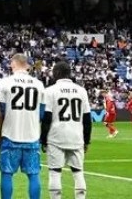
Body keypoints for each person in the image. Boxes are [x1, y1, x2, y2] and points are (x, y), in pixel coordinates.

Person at [0, 54, 44, 199]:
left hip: (10, 134)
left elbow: (0, 111)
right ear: (27, 65)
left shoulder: (5, 83)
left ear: (14, 64)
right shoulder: (38, 84)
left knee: (7, 173)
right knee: (33, 174)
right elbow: (41, 113)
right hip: (32, 136)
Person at [41, 62, 92, 199]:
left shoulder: (50, 91)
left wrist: (43, 140)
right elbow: (87, 119)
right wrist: (86, 140)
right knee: (78, 172)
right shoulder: (82, 91)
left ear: (56, 73)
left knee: (55, 172)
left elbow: (46, 117)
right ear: (69, 73)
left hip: (56, 136)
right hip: (76, 137)